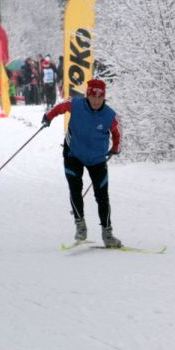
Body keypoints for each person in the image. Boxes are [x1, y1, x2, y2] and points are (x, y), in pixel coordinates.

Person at [41, 79, 123, 247]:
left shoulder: (110, 115)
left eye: (100, 98)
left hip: (97, 159)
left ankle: (107, 234)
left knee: (102, 196)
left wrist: (115, 148)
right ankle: (80, 225)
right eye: (93, 97)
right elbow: (59, 107)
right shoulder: (76, 104)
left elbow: (117, 133)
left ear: (104, 98)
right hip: (73, 154)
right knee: (75, 189)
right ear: (87, 95)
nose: (96, 101)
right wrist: (48, 117)